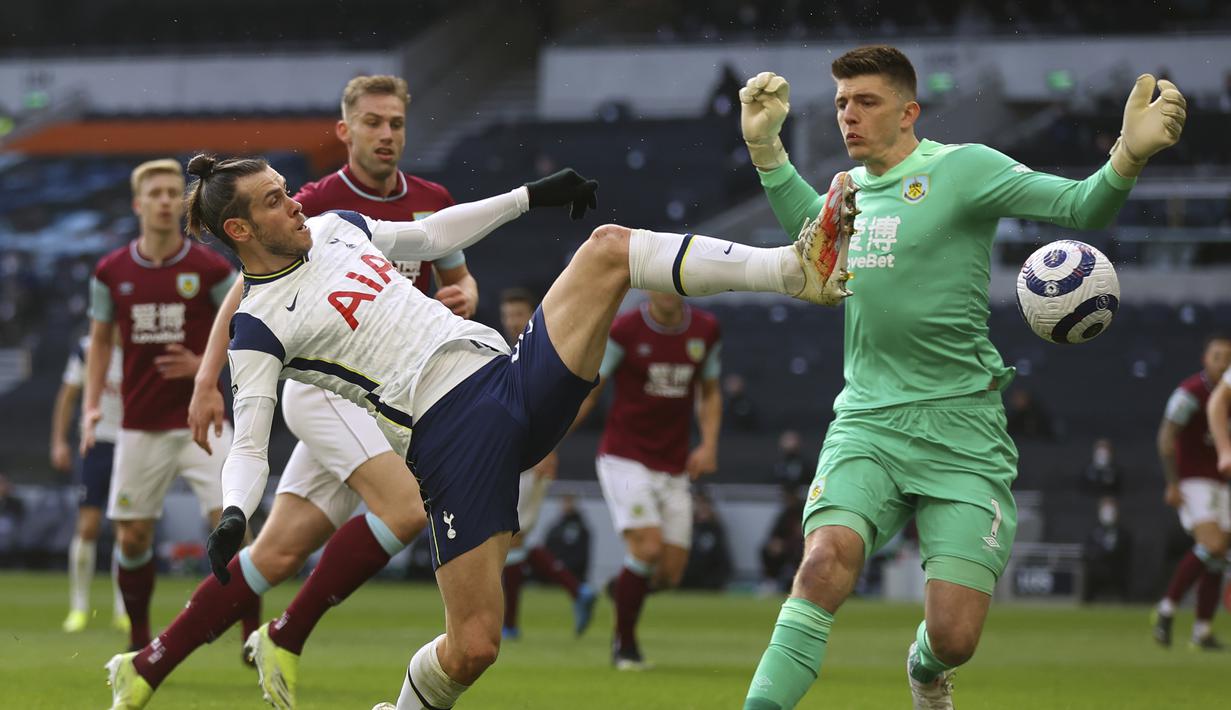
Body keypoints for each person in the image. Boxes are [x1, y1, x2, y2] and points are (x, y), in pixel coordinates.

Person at [106, 140, 853, 710]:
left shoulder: (336, 226)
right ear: (238, 227)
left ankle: (794, 270)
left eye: (286, 192)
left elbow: (431, 235)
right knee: (472, 649)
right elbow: (248, 437)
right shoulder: (258, 325)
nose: (293, 204)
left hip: (505, 376)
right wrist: (236, 510)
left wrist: (529, 196)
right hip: (451, 440)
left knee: (606, 251)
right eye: (274, 202)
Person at [737, 45, 1186, 709]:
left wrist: (1127, 155)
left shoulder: (964, 169)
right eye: (839, 104)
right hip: (867, 420)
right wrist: (766, 151)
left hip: (961, 433)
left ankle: (925, 670)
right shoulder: (844, 191)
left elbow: (1078, 206)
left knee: (953, 634)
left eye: (866, 102)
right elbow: (811, 239)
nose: (847, 117)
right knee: (822, 561)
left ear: (909, 111)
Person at [109, 75, 481, 710]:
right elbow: (250, 291)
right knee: (407, 507)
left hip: (384, 395)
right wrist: (208, 378)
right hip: (325, 389)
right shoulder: (311, 202)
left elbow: (459, 275)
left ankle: (147, 664)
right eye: (372, 122)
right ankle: (287, 632)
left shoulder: (431, 199)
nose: (386, 134)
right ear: (346, 130)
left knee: (275, 554)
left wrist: (464, 295)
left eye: (395, 123)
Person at [81, 158, 245, 654]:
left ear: (184, 201)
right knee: (131, 539)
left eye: (174, 192)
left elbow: (246, 327)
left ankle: (252, 635)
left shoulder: (212, 268)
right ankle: (136, 641)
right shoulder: (111, 272)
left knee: (232, 525)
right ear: (138, 203)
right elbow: (101, 343)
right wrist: (91, 408)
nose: (165, 200)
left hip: (204, 419)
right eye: (155, 193)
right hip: (140, 425)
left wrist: (203, 366)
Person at [573, 290, 724, 669]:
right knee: (647, 547)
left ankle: (622, 589)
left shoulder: (706, 330)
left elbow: (710, 390)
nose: (666, 290)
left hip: (673, 464)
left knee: (669, 573)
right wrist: (549, 443)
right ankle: (625, 648)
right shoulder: (625, 330)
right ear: (647, 287)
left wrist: (708, 445)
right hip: (624, 457)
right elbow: (592, 390)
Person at [497, 288, 597, 640]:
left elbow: (579, 395)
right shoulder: (506, 349)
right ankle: (575, 591)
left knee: (510, 538)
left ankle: (511, 624)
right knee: (515, 538)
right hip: (509, 453)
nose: (512, 321)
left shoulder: (548, 350)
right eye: (507, 314)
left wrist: (551, 445)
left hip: (532, 456)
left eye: (519, 313)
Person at [1153, 334, 1230, 649]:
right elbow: (1166, 437)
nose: (1223, 363)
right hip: (1194, 479)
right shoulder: (1189, 394)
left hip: (1224, 482)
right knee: (1211, 544)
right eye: (1217, 356)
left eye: (1228, 358)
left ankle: (1202, 630)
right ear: (1204, 359)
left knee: (1219, 554)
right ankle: (1167, 608)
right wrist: (1172, 482)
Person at [50, 331, 128, 633]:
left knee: (126, 529)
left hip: (131, 443)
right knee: (88, 526)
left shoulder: (141, 346)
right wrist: (58, 442)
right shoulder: (87, 348)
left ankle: (123, 609)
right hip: (96, 445)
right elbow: (67, 396)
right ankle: (79, 607)